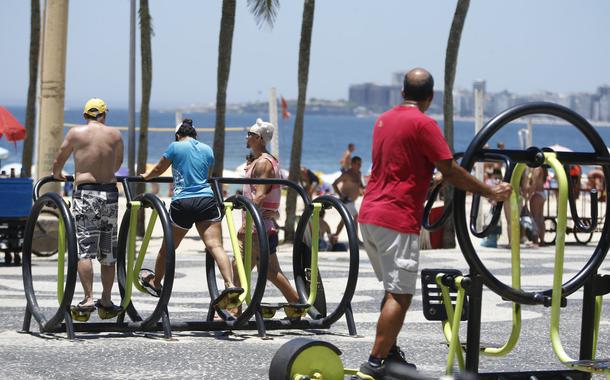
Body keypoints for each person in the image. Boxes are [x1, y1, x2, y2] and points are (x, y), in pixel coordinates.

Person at [354, 68, 512, 379]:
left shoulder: (383, 119)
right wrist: (490, 192)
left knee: (391, 290)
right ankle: (374, 364)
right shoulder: (424, 123)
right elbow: (451, 170)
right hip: (396, 219)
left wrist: (429, 177)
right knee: (399, 295)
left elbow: (399, 166)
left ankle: (390, 353)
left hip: (369, 214)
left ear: (402, 93)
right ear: (430, 97)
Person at [141, 119, 242, 308]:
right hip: (206, 200)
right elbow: (204, 171)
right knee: (215, 246)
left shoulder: (175, 146)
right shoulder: (207, 150)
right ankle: (229, 284)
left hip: (183, 202)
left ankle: (155, 282)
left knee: (168, 248)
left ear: (179, 135)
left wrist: (145, 177)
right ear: (195, 135)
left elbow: (158, 169)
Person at [51, 98, 124, 316]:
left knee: (84, 250)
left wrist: (57, 175)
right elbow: (118, 163)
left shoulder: (76, 133)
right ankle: (107, 300)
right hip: (110, 194)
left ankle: (89, 298)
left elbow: (59, 158)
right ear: (104, 115)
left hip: (86, 193)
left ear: (85, 115)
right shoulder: (115, 134)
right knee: (108, 252)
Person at [233, 118, 299, 308]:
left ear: (260, 138)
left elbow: (260, 195)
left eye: (250, 135)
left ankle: (233, 309)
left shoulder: (264, 163)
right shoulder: (263, 161)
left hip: (257, 226)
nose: (247, 137)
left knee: (239, 267)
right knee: (269, 270)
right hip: (264, 224)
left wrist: (247, 223)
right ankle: (295, 302)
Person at [332, 156, 365, 242]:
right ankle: (355, 239)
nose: (360, 165)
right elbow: (334, 184)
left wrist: (363, 189)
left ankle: (334, 236)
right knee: (355, 216)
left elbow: (360, 185)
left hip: (352, 201)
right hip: (346, 199)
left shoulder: (359, 173)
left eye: (360, 164)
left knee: (343, 220)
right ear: (352, 164)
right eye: (358, 164)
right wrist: (341, 195)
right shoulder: (347, 174)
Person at [525, 166, 548, 246]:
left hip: (537, 194)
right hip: (541, 193)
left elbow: (534, 184)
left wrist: (528, 196)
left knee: (535, 218)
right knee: (540, 217)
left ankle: (536, 240)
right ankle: (542, 240)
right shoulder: (543, 169)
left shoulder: (537, 168)